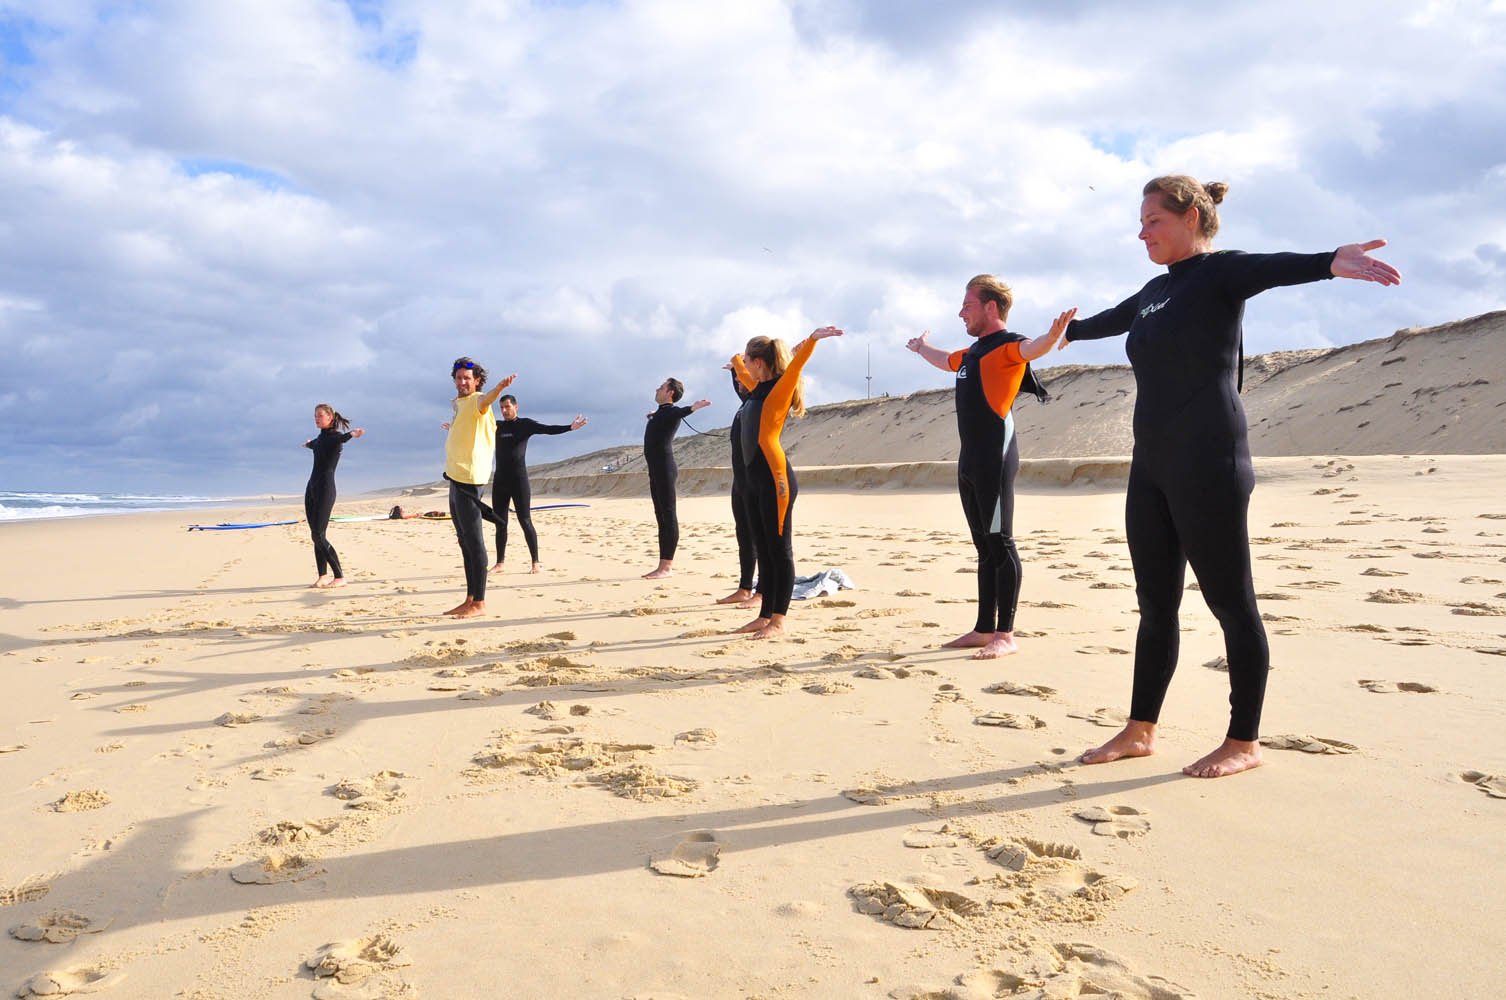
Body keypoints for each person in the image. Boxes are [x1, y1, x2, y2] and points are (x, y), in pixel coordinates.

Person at [1058, 175, 1401, 778]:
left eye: (1153, 221)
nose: (1142, 233)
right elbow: (1108, 321)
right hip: (1153, 467)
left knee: (1231, 604)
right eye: (1140, 223)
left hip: (1210, 463)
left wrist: (1330, 261)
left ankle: (1244, 741)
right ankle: (1141, 729)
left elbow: (1273, 267)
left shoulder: (1221, 274)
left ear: (1191, 216)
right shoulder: (1155, 292)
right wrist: (1060, 333)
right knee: (1154, 605)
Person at [906, 277, 1076, 659]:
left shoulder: (1007, 347)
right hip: (969, 462)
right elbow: (943, 359)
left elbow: (1034, 349)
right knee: (984, 546)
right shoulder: (970, 354)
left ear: (990, 308)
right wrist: (920, 348)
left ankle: (1005, 634)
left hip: (995, 460)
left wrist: (1052, 337)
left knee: (1001, 543)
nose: (961, 311)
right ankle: (984, 628)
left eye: (968, 304)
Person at [731, 326, 843, 639]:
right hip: (753, 480)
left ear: (758, 361)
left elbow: (796, 366)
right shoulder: (756, 388)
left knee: (780, 550)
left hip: (775, 478)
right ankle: (764, 614)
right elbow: (740, 367)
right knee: (764, 549)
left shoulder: (780, 387)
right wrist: (738, 360)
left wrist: (811, 341)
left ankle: (779, 619)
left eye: (748, 358)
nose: (744, 363)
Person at [441, 357, 515, 618]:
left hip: (470, 479)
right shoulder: (461, 405)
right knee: (463, 541)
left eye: (467, 379)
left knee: (474, 541)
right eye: (459, 378)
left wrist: (498, 389)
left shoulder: (477, 400)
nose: (462, 382)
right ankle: (470, 598)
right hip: (455, 477)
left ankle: (480, 603)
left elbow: (486, 401)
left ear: (477, 382)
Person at [490, 395, 587, 575]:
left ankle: (535, 562)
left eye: (507, 407)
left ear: (516, 407)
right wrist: (455, 428)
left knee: (525, 520)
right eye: (501, 407)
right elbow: (474, 428)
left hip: (519, 480)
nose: (504, 411)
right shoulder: (496, 426)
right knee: (500, 523)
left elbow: (547, 429)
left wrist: (570, 427)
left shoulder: (525, 424)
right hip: (500, 480)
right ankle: (500, 563)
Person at [641, 378, 710, 579]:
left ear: (670, 392)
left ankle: (666, 567)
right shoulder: (661, 413)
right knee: (660, 516)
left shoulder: (672, 411)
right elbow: (665, 415)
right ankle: (662, 565)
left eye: (661, 387)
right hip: (655, 470)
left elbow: (680, 412)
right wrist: (654, 415)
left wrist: (695, 407)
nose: (656, 388)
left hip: (665, 469)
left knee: (668, 516)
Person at [303, 404, 364, 588]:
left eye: (320, 415)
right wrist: (308, 444)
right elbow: (315, 444)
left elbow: (343, 438)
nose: (317, 418)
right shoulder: (319, 440)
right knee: (315, 535)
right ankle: (322, 576)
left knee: (319, 535)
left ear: (330, 417)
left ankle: (339, 576)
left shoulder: (335, 438)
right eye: (315, 416)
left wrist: (353, 434)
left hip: (325, 490)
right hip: (311, 489)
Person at [716, 361, 759, 607]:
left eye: (743, 379)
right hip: (740, 481)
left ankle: (762, 592)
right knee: (743, 535)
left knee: (760, 538)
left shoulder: (759, 401)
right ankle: (744, 588)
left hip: (757, 480)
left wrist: (738, 365)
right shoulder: (744, 404)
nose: (739, 385)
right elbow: (739, 386)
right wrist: (734, 371)